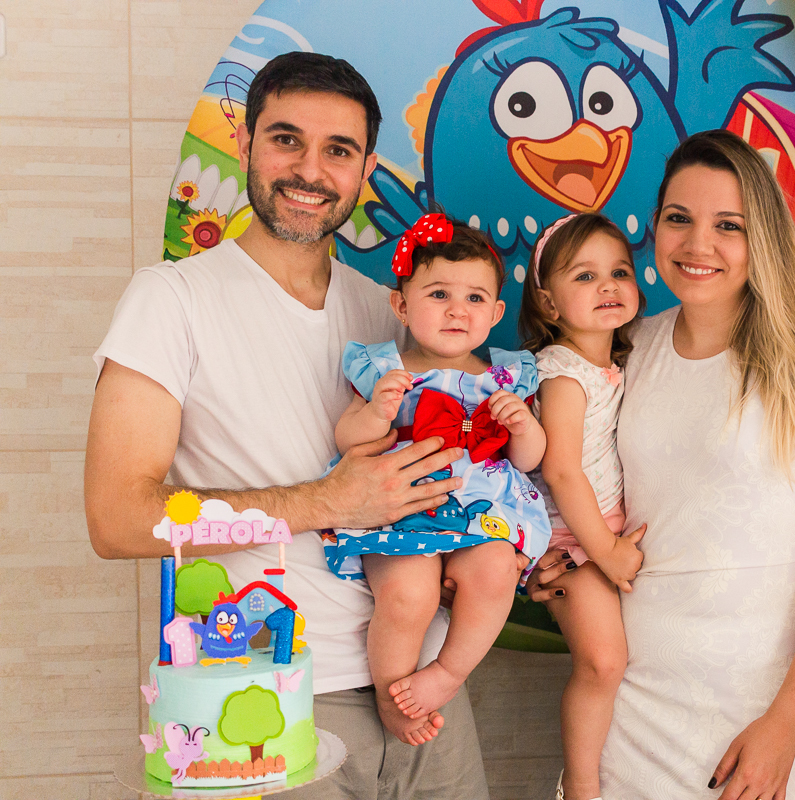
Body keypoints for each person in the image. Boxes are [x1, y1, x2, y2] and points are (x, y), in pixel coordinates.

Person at [85, 52, 489, 799]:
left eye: (337, 150)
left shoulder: (393, 311)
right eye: (285, 139)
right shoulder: (171, 300)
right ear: (245, 146)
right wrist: (328, 502)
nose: (310, 169)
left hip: (423, 695)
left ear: (365, 168)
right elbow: (116, 519)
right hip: (259, 703)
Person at [529, 130, 795, 800]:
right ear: (654, 226)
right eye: (679, 219)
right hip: (625, 694)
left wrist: (788, 720)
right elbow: (581, 482)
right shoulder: (629, 349)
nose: (697, 246)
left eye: (728, 226)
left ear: (764, 236)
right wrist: (562, 559)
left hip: (750, 707)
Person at [326, 213, 550, 745]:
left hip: (483, 509)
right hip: (401, 504)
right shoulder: (385, 370)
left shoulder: (506, 375)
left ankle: (447, 673)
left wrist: (523, 426)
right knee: (408, 595)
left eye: (475, 299)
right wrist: (377, 411)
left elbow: (529, 460)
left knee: (495, 571)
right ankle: (390, 693)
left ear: (496, 312)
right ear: (401, 305)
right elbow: (348, 441)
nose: (457, 309)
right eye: (438, 294)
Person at [517, 213, 647, 800]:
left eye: (619, 272)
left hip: (601, 536)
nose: (608, 286)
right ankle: (582, 787)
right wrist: (607, 552)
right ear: (548, 301)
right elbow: (562, 469)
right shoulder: (562, 372)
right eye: (586, 275)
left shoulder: (617, 365)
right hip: (571, 542)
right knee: (602, 662)